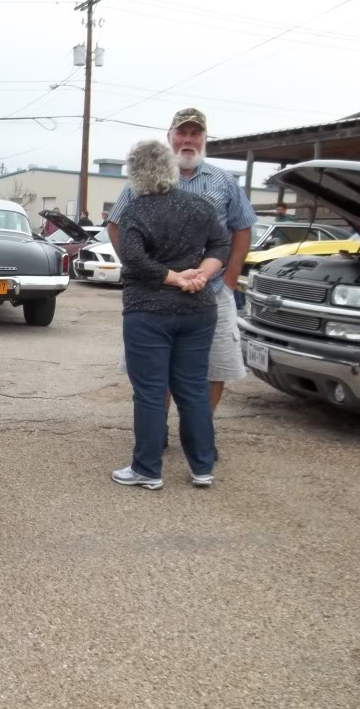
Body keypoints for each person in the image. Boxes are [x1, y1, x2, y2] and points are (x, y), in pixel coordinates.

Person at [107, 108, 256, 435]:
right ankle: (154, 434)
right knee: (153, 372)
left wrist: (229, 280)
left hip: (212, 294)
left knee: (214, 370)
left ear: (204, 139)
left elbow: (242, 229)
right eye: (182, 133)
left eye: (195, 134)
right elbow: (115, 225)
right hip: (154, 298)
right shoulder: (141, 182)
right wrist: (142, 269)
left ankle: (198, 432)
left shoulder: (223, 181)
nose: (188, 140)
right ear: (170, 135)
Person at [111, 140, 230, 490]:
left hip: (148, 311)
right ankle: (202, 468)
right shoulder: (199, 205)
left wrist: (172, 278)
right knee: (193, 388)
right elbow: (220, 244)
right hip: (198, 309)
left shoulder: (136, 211)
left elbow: (133, 258)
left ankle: (147, 468)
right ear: (171, 167)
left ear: (135, 173)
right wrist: (201, 276)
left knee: (150, 391)